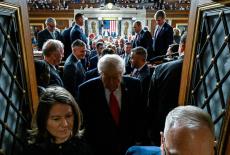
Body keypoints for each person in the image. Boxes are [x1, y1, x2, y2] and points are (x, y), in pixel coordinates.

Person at [78, 54, 145, 155]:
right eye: (107, 77)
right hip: (99, 146)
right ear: (100, 73)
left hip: (128, 145)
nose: (111, 82)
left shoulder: (134, 85)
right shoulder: (86, 90)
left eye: (115, 77)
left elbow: (140, 114)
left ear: (122, 73)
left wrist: (139, 140)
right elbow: (84, 122)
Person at [22, 86, 93, 155]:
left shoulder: (87, 143)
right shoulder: (33, 151)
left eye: (68, 116)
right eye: (56, 119)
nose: (65, 124)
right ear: (43, 120)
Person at [148, 33, 187, 145]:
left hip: (165, 128)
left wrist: (151, 133)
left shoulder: (162, 69)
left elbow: (151, 104)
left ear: (182, 46)